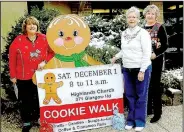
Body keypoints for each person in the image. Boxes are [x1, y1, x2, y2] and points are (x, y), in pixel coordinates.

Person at [9, 16, 54, 132]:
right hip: (23, 76)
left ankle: (41, 119)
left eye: (34, 24)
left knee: (41, 98)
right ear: (25, 27)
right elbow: (12, 58)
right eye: (29, 24)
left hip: (40, 76)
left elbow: (52, 52)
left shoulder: (44, 38)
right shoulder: (18, 40)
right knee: (25, 100)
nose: (32, 26)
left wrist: (45, 61)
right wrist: (13, 76)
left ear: (37, 26)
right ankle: (27, 122)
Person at [111, 6, 152, 132]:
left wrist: (142, 70)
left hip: (140, 68)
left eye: (134, 17)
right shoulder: (124, 33)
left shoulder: (143, 33)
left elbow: (147, 53)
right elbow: (124, 50)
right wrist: (115, 57)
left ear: (138, 19)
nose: (131, 19)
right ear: (126, 19)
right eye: (129, 17)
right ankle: (130, 120)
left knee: (141, 96)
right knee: (129, 95)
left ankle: (139, 121)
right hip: (127, 68)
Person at [143, 5, 168, 123]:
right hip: (144, 62)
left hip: (156, 61)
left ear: (156, 15)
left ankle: (158, 113)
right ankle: (148, 110)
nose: (150, 15)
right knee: (146, 85)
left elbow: (165, 45)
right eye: (148, 13)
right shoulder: (141, 28)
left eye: (153, 13)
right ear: (145, 14)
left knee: (155, 86)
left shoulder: (159, 27)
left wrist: (155, 53)